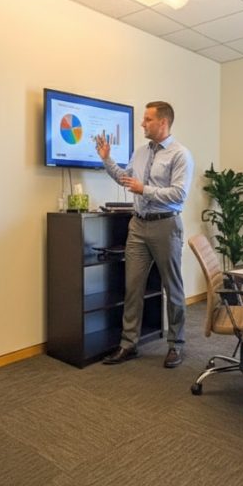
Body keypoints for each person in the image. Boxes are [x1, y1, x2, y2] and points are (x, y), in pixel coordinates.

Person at [96, 101, 194, 368]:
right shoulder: (139, 153)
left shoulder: (180, 155)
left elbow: (179, 194)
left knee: (172, 287)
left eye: (147, 119)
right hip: (138, 226)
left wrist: (145, 190)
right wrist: (107, 159)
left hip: (166, 225)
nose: (142, 124)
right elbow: (126, 179)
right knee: (133, 287)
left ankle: (176, 345)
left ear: (163, 122)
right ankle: (128, 344)